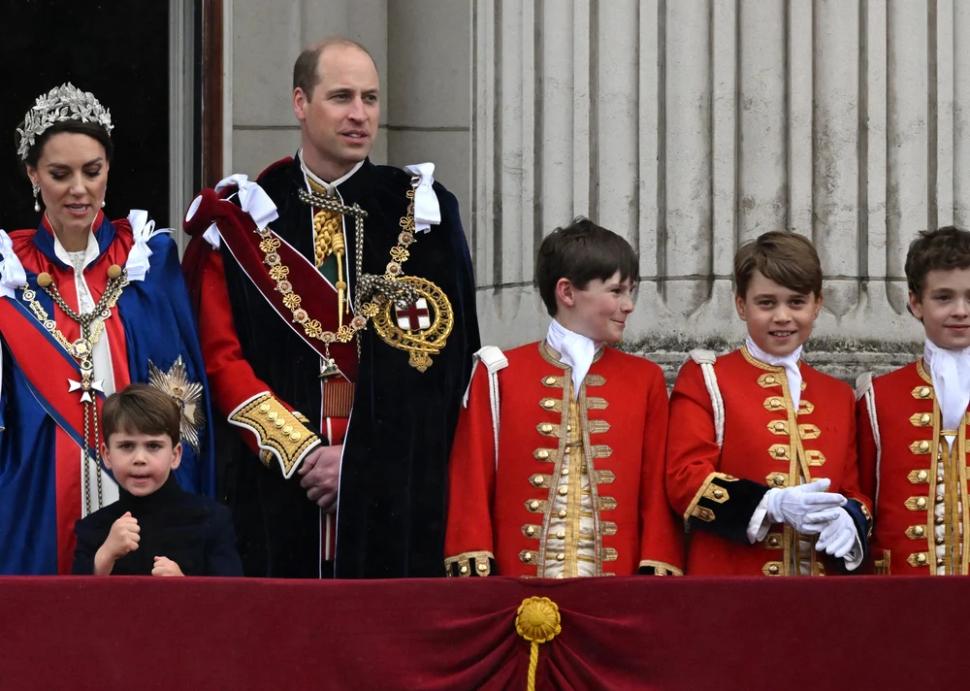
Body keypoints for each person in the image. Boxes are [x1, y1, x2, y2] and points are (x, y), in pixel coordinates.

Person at [182, 38, 479, 578]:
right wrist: (301, 453)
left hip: (394, 491)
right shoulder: (245, 217)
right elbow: (219, 357)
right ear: (300, 102)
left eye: (370, 98)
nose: (359, 114)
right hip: (276, 488)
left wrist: (361, 461)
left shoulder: (425, 212)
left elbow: (448, 365)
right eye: (341, 97)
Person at [0, 83, 214, 574]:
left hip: (141, 489)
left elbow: (183, 399)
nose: (78, 189)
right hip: (37, 494)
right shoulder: (9, 271)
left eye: (92, 171)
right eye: (60, 174)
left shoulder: (147, 259)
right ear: (33, 174)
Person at [444, 219, 682, 577]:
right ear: (567, 292)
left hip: (617, 589)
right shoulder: (499, 374)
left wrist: (657, 568)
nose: (629, 305)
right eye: (616, 291)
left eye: (631, 291)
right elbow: (471, 482)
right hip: (519, 588)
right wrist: (475, 569)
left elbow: (656, 494)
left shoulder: (644, 379)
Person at [665, 231, 871, 576]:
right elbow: (684, 480)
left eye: (796, 302)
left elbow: (854, 489)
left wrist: (850, 519)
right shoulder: (707, 378)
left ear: (817, 305)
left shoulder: (838, 394)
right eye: (766, 303)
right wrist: (769, 503)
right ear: (741, 305)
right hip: (732, 587)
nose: (782, 316)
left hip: (821, 595)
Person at [857, 226, 970, 575]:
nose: (960, 310)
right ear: (916, 303)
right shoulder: (878, 397)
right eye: (943, 297)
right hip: (903, 595)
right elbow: (862, 498)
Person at [72, 385, 241, 576]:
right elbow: (75, 595)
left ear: (175, 455)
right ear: (107, 455)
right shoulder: (93, 529)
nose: (139, 459)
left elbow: (233, 594)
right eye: (127, 446)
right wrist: (104, 557)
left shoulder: (211, 521)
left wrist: (185, 585)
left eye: (153, 446)